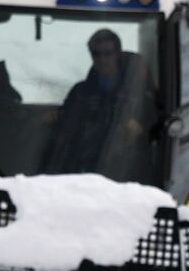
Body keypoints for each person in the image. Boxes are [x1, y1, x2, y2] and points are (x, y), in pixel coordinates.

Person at [43, 28, 156, 181]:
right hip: (82, 169)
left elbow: (156, 127)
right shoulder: (80, 92)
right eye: (96, 54)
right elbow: (67, 127)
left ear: (117, 54)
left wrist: (139, 130)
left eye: (108, 53)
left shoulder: (138, 93)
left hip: (125, 172)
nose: (102, 59)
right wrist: (54, 118)